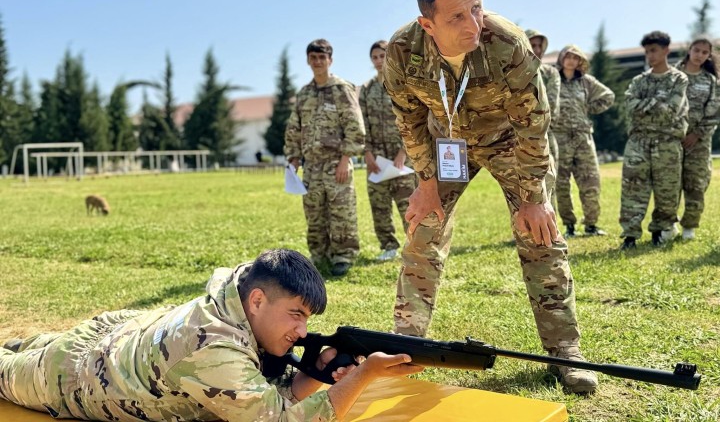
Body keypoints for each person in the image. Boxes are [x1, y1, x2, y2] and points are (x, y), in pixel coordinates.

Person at [382, 0, 596, 393]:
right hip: (450, 145)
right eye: (457, 16)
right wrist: (426, 184)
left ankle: (565, 351)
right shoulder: (402, 52)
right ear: (428, 23)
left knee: (541, 233)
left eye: (476, 8)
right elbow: (409, 120)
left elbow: (533, 122)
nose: (472, 23)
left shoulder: (506, 42)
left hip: (509, 140)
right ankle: (406, 344)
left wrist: (534, 196)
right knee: (425, 226)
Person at [0, 249, 422, 421]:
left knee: (26, 344)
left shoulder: (234, 291)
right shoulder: (212, 349)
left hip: (113, 333)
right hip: (70, 376)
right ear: (257, 301)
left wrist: (313, 372)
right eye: (295, 315)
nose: (301, 331)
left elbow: (267, 396)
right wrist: (361, 378)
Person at [284, 39, 366, 276]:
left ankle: (343, 256)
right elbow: (294, 128)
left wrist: (345, 159)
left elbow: (354, 126)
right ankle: (319, 256)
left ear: (330, 60)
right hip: (312, 167)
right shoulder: (304, 94)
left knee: (342, 212)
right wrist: (293, 158)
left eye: (322, 57)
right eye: (313, 57)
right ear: (308, 60)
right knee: (314, 213)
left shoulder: (342, 89)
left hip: (336, 163)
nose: (318, 62)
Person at [620, 31, 689, 249]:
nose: (650, 55)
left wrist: (645, 105)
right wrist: (656, 103)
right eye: (647, 51)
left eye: (654, 50)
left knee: (667, 189)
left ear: (666, 50)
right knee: (633, 189)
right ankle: (630, 236)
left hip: (667, 142)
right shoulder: (639, 81)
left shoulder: (678, 79)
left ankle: (660, 231)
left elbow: (671, 111)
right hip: (638, 142)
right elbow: (629, 105)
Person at [359, 40, 417, 262]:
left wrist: (403, 153)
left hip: (401, 158)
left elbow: (413, 120)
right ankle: (388, 246)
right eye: (374, 57)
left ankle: (414, 245)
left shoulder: (402, 83)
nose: (378, 61)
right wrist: (367, 153)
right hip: (376, 159)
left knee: (407, 204)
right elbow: (361, 123)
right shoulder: (366, 89)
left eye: (382, 56)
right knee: (379, 205)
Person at [553, 45, 615, 237]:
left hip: (582, 138)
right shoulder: (553, 80)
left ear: (580, 61)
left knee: (591, 181)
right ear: (561, 58)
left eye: (575, 57)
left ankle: (591, 224)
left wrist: (589, 108)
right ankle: (569, 225)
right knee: (561, 183)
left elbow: (608, 96)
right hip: (559, 137)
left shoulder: (586, 82)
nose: (571, 60)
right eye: (568, 56)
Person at [676, 37, 720, 240]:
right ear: (689, 50)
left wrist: (697, 134)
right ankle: (668, 224)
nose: (700, 55)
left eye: (705, 52)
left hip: (699, 142)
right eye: (697, 50)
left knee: (697, 183)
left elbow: (715, 113)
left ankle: (689, 226)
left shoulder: (710, 81)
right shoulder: (673, 75)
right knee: (669, 183)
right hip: (672, 139)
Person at [525, 29, 561, 208]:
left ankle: (549, 228)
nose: (537, 49)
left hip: (544, 134)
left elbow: (550, 106)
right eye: (533, 44)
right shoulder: (513, 73)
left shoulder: (550, 74)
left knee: (548, 180)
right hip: (518, 136)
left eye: (540, 45)